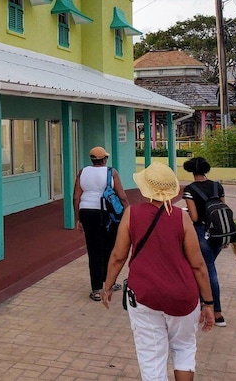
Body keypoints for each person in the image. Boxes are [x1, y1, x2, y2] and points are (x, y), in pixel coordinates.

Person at [101, 162, 214, 381]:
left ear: (145, 189)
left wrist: (107, 286)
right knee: (183, 348)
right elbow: (199, 265)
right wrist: (208, 304)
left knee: (151, 357)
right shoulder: (181, 217)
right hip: (183, 296)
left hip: (145, 296)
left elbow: (118, 256)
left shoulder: (131, 214)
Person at [74, 146, 130, 301]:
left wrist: (78, 218)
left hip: (87, 212)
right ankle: (109, 283)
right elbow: (122, 196)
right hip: (107, 214)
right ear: (104, 159)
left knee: (93, 250)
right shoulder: (111, 172)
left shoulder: (82, 172)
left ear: (92, 159)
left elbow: (76, 197)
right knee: (109, 248)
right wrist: (128, 213)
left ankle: (96, 289)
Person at [182, 156, 226, 327]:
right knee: (206, 268)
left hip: (202, 234)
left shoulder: (190, 189)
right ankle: (204, 302)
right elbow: (223, 210)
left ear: (192, 171)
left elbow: (193, 217)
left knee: (208, 271)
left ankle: (217, 312)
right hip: (219, 234)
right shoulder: (218, 186)